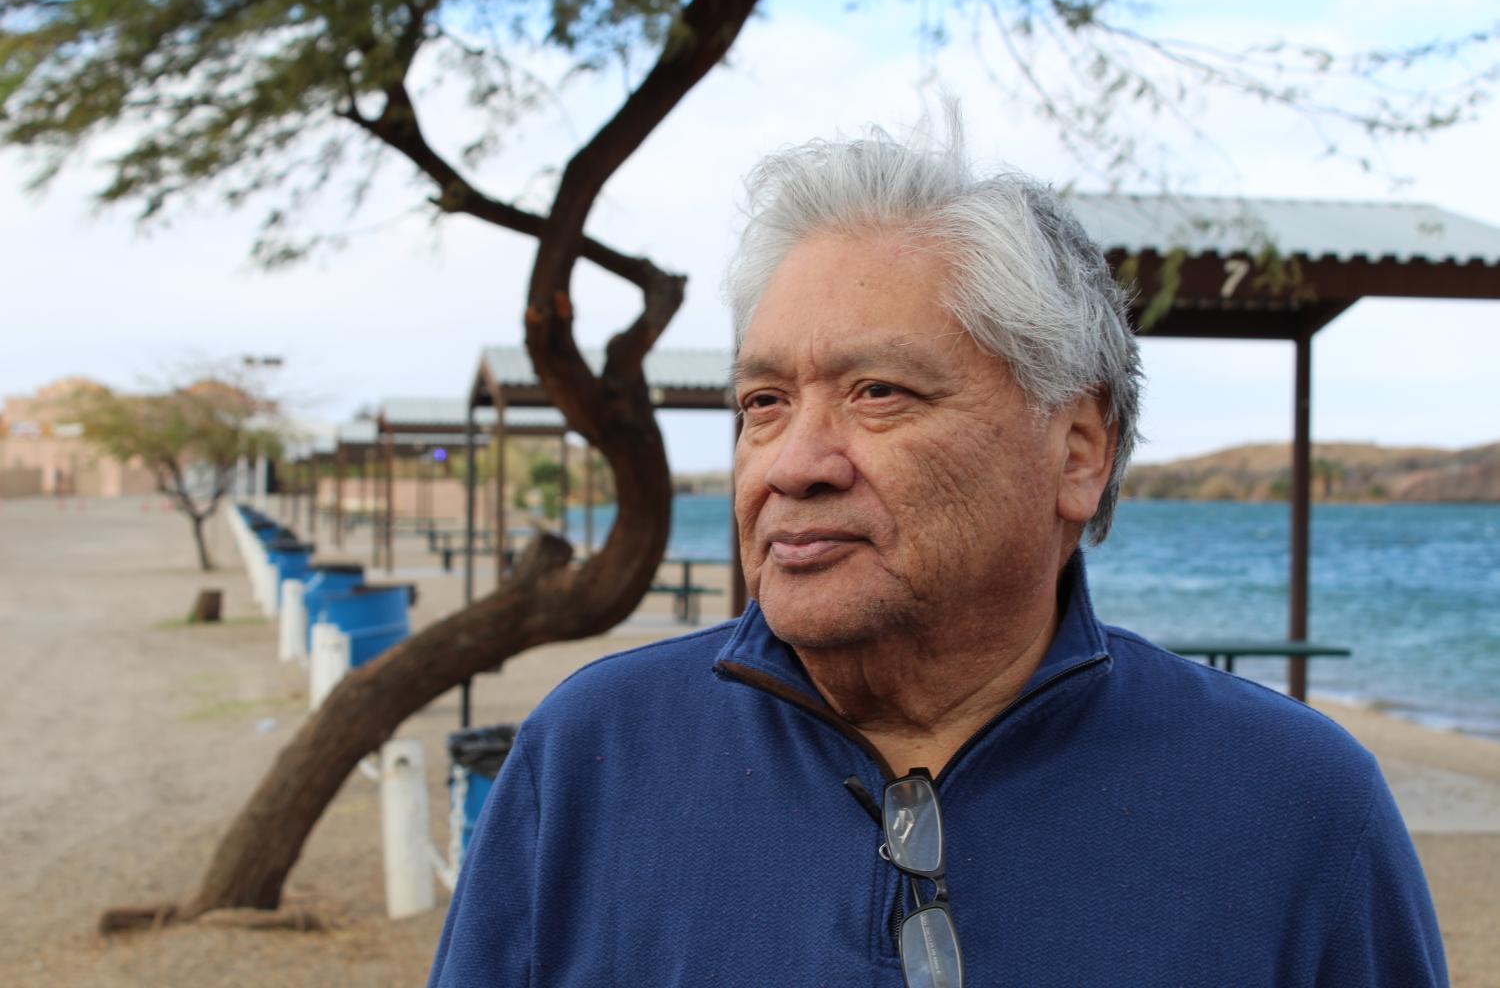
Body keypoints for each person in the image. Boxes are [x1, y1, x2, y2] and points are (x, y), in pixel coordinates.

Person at [428, 123, 1447, 987]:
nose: (793, 463)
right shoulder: (590, 761)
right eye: (762, 404)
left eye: (879, 393)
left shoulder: (1297, 808)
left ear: (1077, 452)